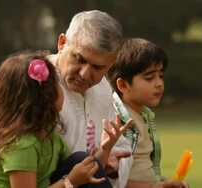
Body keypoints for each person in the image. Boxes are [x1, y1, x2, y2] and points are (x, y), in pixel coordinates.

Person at [0, 50, 132, 188]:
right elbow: (74, 179)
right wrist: (70, 182)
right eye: (57, 84)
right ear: (46, 95)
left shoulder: (50, 135)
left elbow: (86, 169)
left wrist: (105, 149)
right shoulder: (21, 145)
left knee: (79, 159)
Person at [48, 10, 132, 187]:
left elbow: (122, 148)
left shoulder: (102, 88)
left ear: (111, 64)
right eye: (79, 59)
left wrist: (113, 162)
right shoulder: (34, 84)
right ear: (62, 43)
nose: (85, 74)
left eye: (98, 67)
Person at [107, 38, 190, 188]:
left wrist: (166, 183)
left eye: (161, 76)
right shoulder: (118, 121)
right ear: (123, 85)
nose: (159, 83)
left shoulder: (143, 116)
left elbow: (143, 167)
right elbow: (112, 180)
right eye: (150, 77)